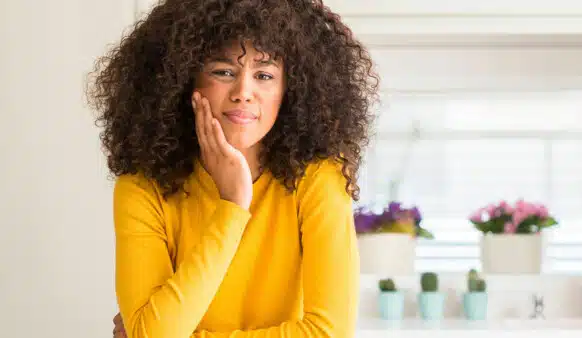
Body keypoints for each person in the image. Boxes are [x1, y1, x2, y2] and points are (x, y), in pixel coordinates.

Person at [86, 0, 379, 337]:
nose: (243, 93)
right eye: (223, 71)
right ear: (184, 81)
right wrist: (232, 207)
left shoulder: (319, 178)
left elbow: (329, 333)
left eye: (264, 75)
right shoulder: (142, 186)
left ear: (290, 91)